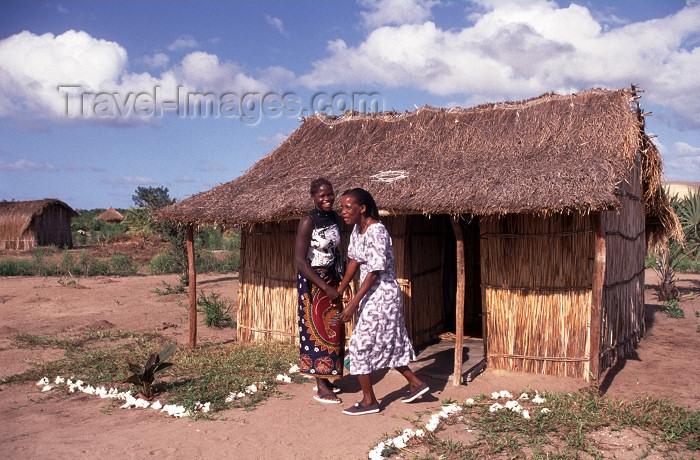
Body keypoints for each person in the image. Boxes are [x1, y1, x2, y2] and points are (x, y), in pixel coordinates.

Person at [334, 188, 429, 415]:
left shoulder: (377, 232)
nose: (343, 212)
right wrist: (340, 288)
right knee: (388, 342)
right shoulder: (358, 230)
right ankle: (416, 383)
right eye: (342, 207)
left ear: (362, 208)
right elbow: (354, 262)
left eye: (348, 207)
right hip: (370, 295)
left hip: (382, 296)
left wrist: (352, 304)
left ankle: (370, 402)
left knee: (358, 344)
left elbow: (374, 272)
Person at [295, 178, 348, 404]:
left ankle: (327, 377)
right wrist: (324, 286)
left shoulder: (334, 217)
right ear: (313, 196)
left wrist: (341, 281)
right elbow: (299, 259)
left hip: (332, 277)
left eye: (330, 194)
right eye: (322, 195)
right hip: (313, 281)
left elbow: (338, 250)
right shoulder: (308, 221)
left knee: (334, 328)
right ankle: (319, 385)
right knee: (315, 330)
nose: (327, 199)